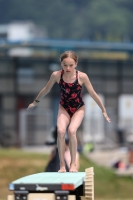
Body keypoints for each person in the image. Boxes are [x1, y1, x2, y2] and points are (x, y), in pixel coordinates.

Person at [27, 50, 110, 172]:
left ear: (76, 64)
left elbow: (93, 94)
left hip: (78, 108)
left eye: (71, 65)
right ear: (61, 64)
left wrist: (103, 110)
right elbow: (46, 89)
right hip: (64, 108)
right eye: (65, 65)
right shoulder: (57, 75)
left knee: (71, 131)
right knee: (60, 131)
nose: (68, 68)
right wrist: (35, 102)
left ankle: (73, 165)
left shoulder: (82, 77)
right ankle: (62, 165)